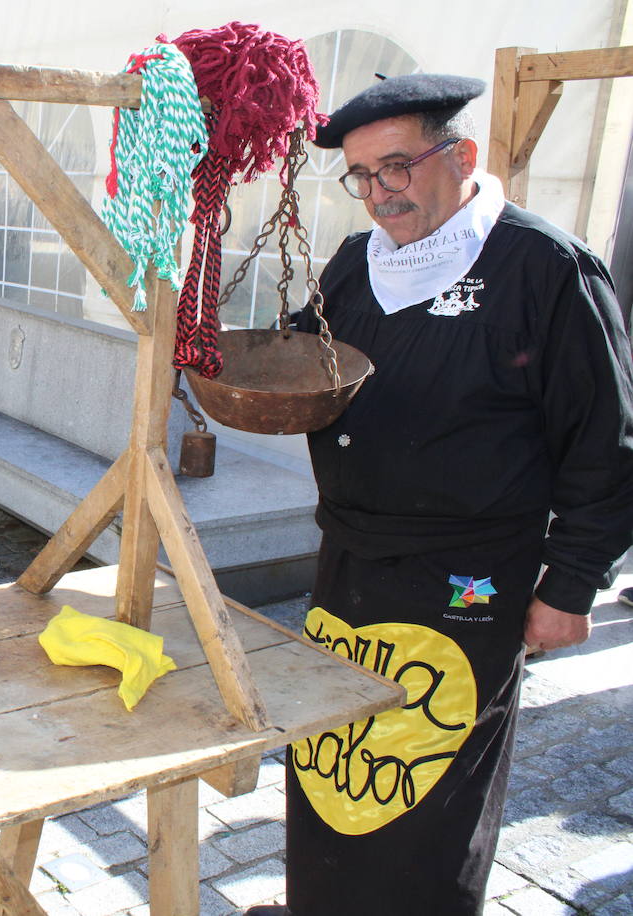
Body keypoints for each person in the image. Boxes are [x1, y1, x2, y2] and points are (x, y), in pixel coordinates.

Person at [245, 75, 633, 916]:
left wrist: (569, 586)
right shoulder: (354, 267)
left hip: (470, 581)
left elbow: (607, 445)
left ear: (459, 157)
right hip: (347, 565)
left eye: (396, 168)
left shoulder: (545, 270)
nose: (379, 196)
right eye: (361, 177)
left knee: (428, 793)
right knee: (332, 762)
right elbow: (309, 366)